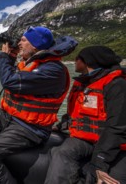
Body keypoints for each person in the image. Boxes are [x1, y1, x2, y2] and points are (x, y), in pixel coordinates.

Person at [0, 26, 77, 184]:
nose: (19, 44)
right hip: (10, 116)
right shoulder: (32, 63)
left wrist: (4, 57)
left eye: (24, 40)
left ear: (36, 45)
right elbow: (15, 79)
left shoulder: (53, 70)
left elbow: (10, 81)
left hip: (30, 128)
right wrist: (11, 58)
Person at [45, 46, 126, 184]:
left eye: (78, 58)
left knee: (110, 179)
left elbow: (117, 127)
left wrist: (100, 162)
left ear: (88, 61)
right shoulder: (83, 83)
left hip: (113, 143)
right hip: (85, 139)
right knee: (60, 152)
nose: (75, 61)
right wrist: (61, 125)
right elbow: (76, 113)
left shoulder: (117, 85)